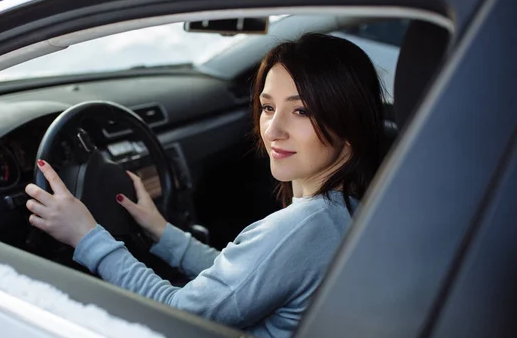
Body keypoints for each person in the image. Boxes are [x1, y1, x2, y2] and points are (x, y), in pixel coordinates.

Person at [24, 32, 385, 338]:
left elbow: (177, 315)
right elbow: (245, 280)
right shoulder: (348, 209)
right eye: (268, 107)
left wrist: (86, 236)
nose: (273, 130)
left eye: (301, 110)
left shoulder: (302, 228)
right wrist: (163, 232)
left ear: (348, 124)